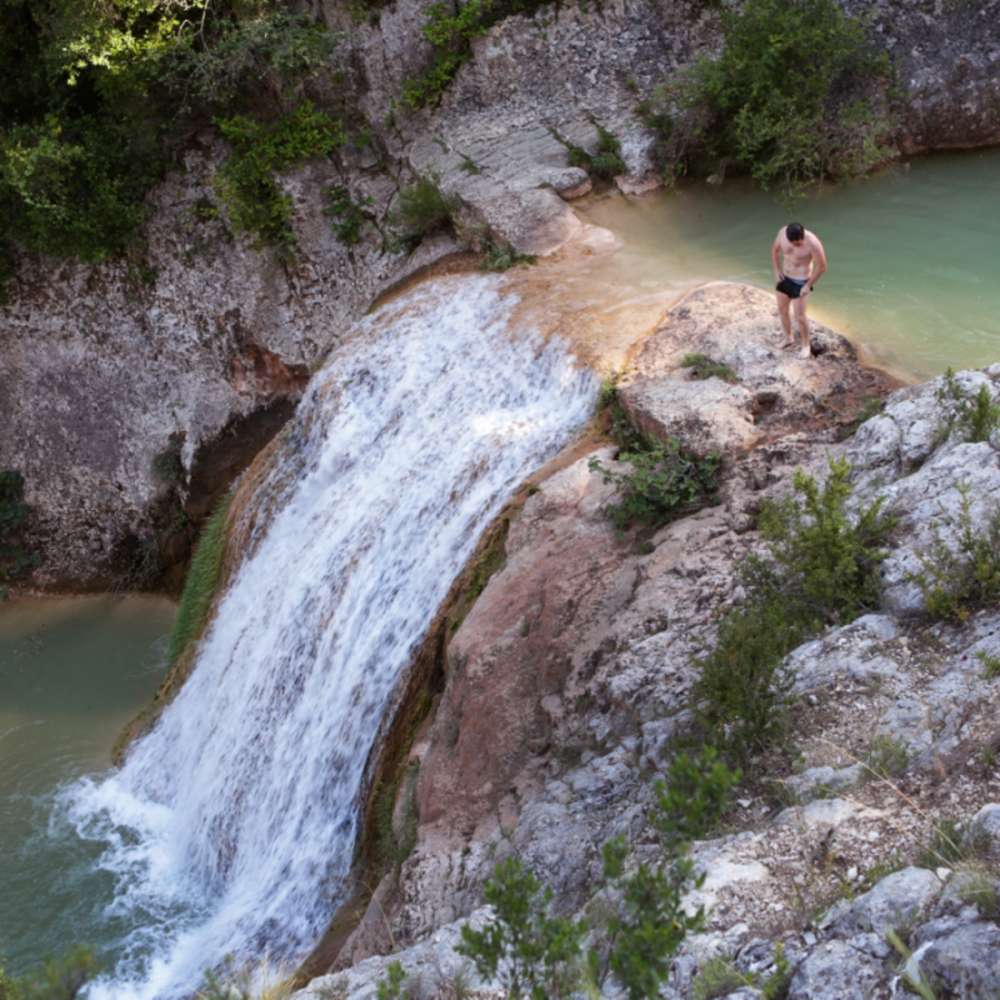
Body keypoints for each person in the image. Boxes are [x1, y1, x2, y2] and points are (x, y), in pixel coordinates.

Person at [772, 222, 827, 359]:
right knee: (782, 310)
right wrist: (777, 271)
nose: (796, 245)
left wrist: (808, 285)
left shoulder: (813, 242)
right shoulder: (782, 233)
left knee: (800, 316)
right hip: (785, 278)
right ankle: (788, 338)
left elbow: (822, 266)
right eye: (793, 243)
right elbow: (775, 251)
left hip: (801, 281)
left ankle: (806, 346)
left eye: (799, 242)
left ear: (802, 235)